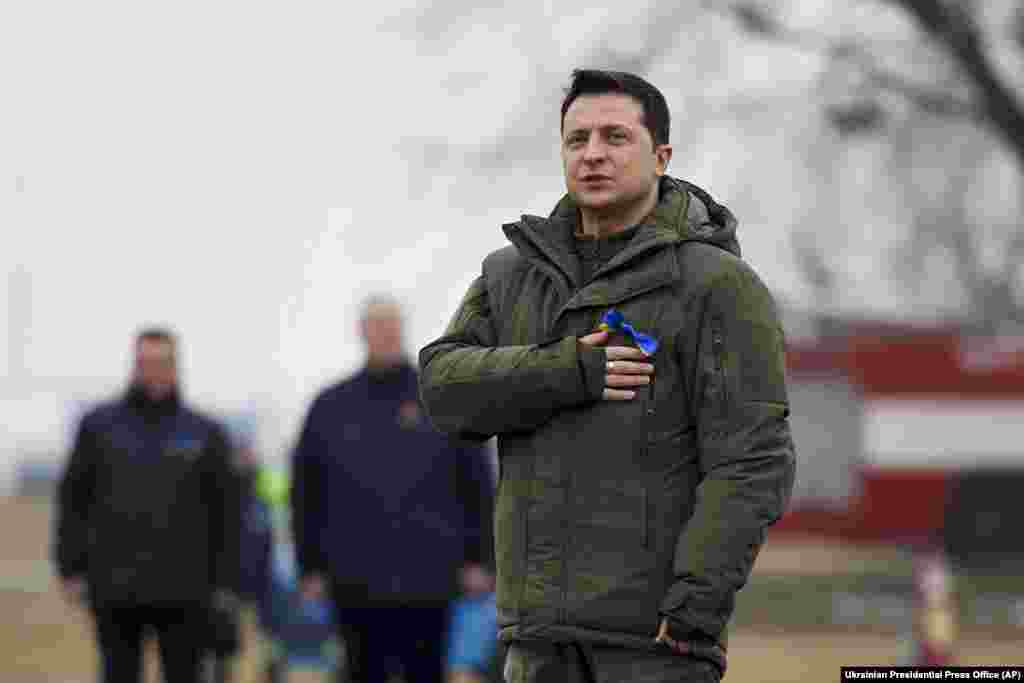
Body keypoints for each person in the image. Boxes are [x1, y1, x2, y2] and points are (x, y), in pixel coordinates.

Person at [418, 69, 797, 683]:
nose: (593, 154)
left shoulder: (718, 285)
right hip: (535, 643)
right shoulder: (510, 275)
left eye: (616, 137)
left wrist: (696, 606)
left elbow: (753, 461)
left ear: (661, 155)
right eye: (577, 139)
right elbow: (443, 388)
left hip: (655, 645)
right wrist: (567, 369)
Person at [291, 295, 496, 683]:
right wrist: (309, 566)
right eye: (375, 326)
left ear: (401, 331)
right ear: (362, 332)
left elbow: (477, 483)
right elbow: (305, 493)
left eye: (390, 326)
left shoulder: (439, 396)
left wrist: (480, 558)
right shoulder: (330, 407)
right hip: (353, 581)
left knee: (425, 673)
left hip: (430, 578)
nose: (383, 334)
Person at [53, 327, 242, 683]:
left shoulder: (205, 432)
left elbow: (226, 513)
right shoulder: (98, 427)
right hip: (115, 588)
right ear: (134, 366)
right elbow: (73, 499)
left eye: (163, 362)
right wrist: (69, 567)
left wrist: (226, 582)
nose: (154, 370)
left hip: (187, 590)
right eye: (146, 362)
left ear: (176, 366)